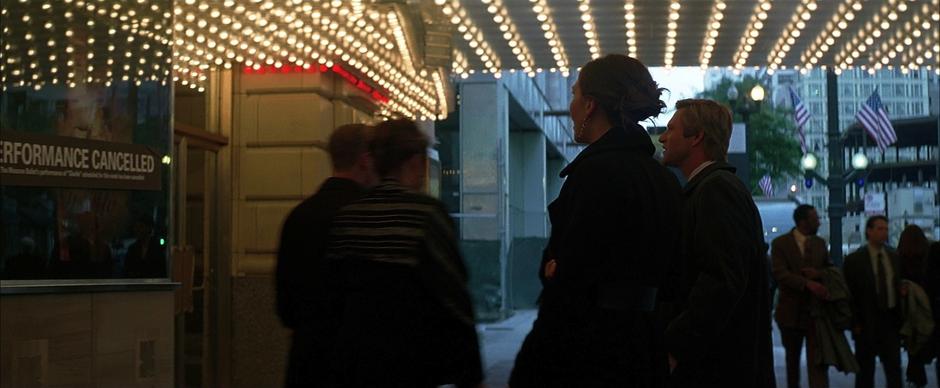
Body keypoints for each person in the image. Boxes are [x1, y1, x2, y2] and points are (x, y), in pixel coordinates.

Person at [509, 54, 682, 387]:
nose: (571, 105)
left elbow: (573, 275)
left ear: (590, 106)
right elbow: (675, 275)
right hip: (645, 349)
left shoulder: (594, 173)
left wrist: (556, 270)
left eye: (574, 95)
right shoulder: (663, 179)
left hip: (590, 351)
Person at [322, 119, 482, 388]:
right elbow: (454, 298)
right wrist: (471, 375)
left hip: (355, 367)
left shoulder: (349, 217)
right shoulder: (426, 215)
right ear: (416, 162)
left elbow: (332, 298)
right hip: (412, 367)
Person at [658, 98, 775, 387]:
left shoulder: (715, 190)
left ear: (696, 137)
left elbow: (721, 280)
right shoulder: (715, 187)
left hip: (718, 368)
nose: (662, 137)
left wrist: (676, 344)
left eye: (671, 129)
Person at [274, 123, 378, 388]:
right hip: (357, 364)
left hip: (306, 362)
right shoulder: (369, 217)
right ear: (365, 162)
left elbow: (284, 306)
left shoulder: (299, 216)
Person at [772, 204, 832, 388]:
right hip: (790, 314)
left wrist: (819, 274)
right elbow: (780, 273)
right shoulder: (781, 244)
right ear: (803, 222)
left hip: (816, 313)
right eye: (816, 219)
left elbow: (829, 269)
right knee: (792, 362)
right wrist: (807, 283)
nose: (819, 222)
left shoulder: (820, 243)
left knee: (819, 361)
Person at [843, 216, 902, 388]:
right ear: (869, 231)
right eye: (880, 229)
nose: (884, 232)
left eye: (886, 229)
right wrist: (854, 322)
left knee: (894, 370)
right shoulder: (855, 260)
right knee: (865, 371)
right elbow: (849, 294)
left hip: (890, 321)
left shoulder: (893, 257)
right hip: (866, 322)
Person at [896, 224, 931, 387]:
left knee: (913, 342)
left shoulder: (900, 256)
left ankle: (916, 376)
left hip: (910, 307)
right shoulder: (929, 254)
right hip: (929, 305)